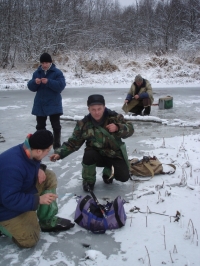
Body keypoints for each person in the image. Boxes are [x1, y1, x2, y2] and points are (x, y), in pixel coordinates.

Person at [0, 130, 74, 248]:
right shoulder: (13, 167)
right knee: (30, 240)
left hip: (21, 191)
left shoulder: (29, 150)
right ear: (39, 151)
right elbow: (9, 199)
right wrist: (38, 200)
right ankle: (2, 226)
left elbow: (29, 163)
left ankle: (47, 221)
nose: (48, 153)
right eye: (48, 150)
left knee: (48, 176)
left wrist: (39, 167)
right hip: (5, 207)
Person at [50, 94, 134, 192]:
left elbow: (131, 129)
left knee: (124, 177)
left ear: (104, 107)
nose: (97, 112)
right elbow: (73, 143)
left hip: (114, 155)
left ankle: (108, 171)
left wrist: (118, 128)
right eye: (93, 109)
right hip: (96, 155)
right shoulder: (83, 124)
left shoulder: (114, 117)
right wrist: (59, 153)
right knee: (88, 154)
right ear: (88, 109)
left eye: (99, 109)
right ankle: (88, 181)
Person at [27, 52, 66, 150]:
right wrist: (34, 83)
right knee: (40, 127)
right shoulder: (37, 73)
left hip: (53, 103)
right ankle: (42, 145)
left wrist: (49, 82)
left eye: (46, 63)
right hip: (40, 103)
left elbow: (61, 86)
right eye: (42, 63)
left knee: (56, 126)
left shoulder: (57, 72)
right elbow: (31, 87)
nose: (44, 65)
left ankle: (57, 145)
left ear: (50, 63)